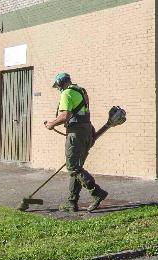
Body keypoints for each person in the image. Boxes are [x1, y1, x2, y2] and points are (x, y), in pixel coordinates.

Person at [44, 72, 109, 212]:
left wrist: (51, 124)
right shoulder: (81, 90)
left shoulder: (66, 93)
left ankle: (97, 193)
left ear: (61, 83)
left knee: (73, 167)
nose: (58, 89)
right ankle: (72, 202)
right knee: (77, 168)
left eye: (58, 86)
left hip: (76, 133)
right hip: (86, 130)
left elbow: (65, 116)